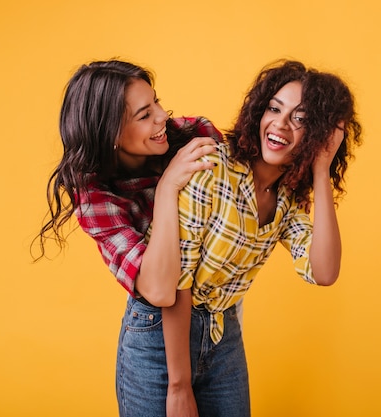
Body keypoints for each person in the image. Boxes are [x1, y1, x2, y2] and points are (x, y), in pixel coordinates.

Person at [120, 59, 362, 417]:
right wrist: (179, 387)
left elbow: (324, 271)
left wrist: (322, 168)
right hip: (160, 331)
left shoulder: (289, 200)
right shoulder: (210, 166)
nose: (280, 124)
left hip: (222, 334)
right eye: (274, 109)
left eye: (301, 118)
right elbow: (177, 283)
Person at [32, 59, 222, 416]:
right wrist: (167, 189)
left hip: (218, 325)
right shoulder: (93, 196)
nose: (162, 116)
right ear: (110, 136)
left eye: (157, 103)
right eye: (144, 114)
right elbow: (161, 290)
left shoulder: (194, 137)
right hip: (153, 340)